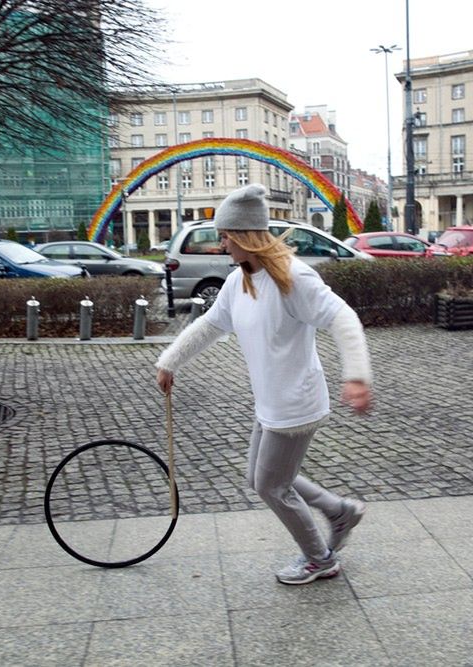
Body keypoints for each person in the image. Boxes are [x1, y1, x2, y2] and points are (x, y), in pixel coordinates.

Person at [155, 183, 372, 585]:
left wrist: (357, 376)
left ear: (243, 235)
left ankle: (319, 559)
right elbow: (211, 324)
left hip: (295, 404)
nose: (221, 244)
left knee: (271, 486)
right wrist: (171, 361)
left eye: (225, 236)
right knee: (261, 478)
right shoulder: (241, 280)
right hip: (270, 402)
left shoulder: (292, 277)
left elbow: (343, 318)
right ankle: (339, 510)